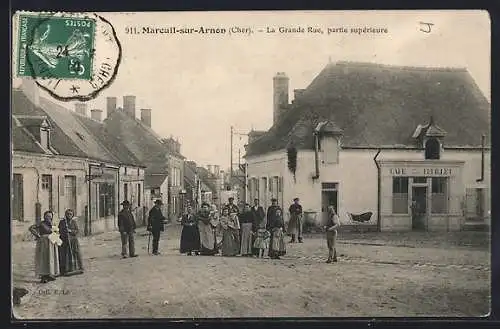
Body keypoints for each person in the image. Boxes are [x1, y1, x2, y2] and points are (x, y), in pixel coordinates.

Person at [34, 210, 60, 283]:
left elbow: (56, 231)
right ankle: (43, 276)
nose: (49, 217)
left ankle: (49, 274)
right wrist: (37, 235)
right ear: (44, 216)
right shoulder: (41, 223)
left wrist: (56, 235)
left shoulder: (52, 223)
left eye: (50, 216)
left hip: (52, 242)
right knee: (44, 259)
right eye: (47, 216)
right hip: (44, 243)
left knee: (51, 258)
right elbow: (31, 228)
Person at [58, 209, 84, 276]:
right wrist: (64, 231)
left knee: (74, 253)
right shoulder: (62, 222)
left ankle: (75, 268)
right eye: (68, 214)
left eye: (70, 214)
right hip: (65, 241)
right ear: (65, 214)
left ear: (72, 215)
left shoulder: (74, 222)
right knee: (66, 255)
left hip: (73, 241)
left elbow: (77, 231)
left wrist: (70, 231)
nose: (69, 215)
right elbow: (59, 230)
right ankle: (66, 269)